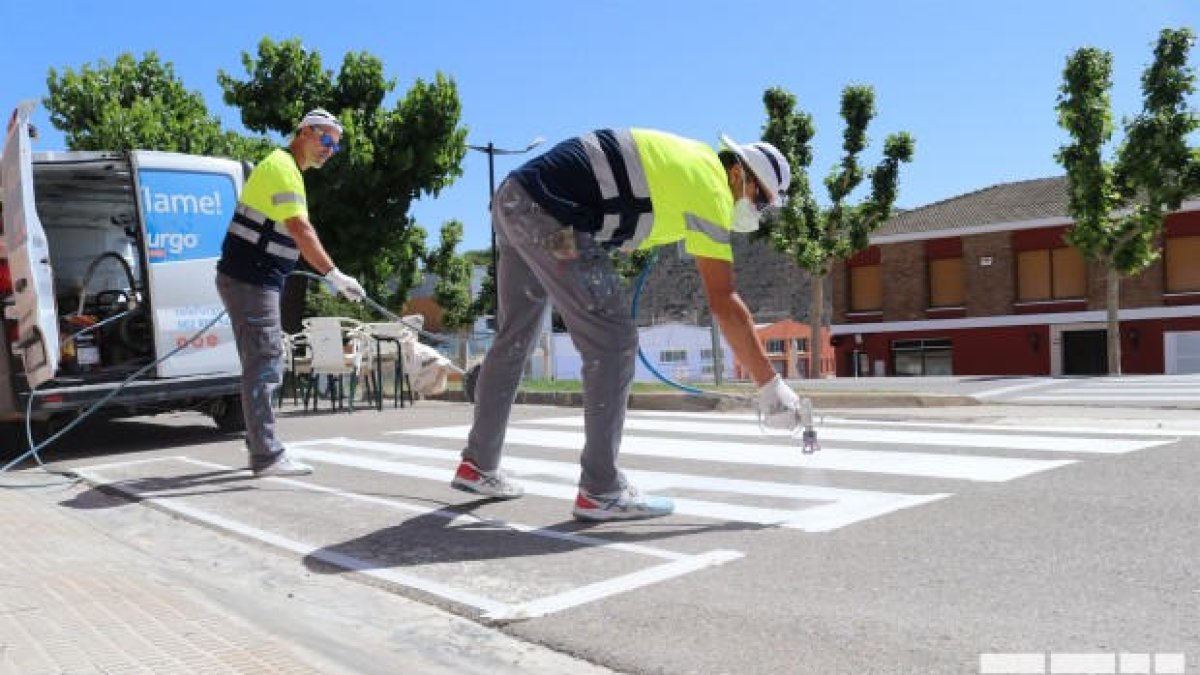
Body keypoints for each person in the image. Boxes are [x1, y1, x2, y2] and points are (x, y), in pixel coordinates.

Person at [451, 128, 804, 521]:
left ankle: (478, 464)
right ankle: (601, 489)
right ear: (738, 173)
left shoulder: (693, 166)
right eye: (760, 199)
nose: (758, 211)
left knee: (515, 338)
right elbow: (724, 301)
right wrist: (770, 385)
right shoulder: (712, 188)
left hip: (517, 201)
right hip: (550, 217)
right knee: (613, 340)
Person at [215, 108, 366, 477]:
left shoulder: (286, 168)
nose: (329, 149)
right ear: (304, 132)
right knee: (266, 361)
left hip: (252, 278)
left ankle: (259, 442)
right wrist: (334, 274)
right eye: (325, 139)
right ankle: (266, 455)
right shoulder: (283, 167)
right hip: (252, 279)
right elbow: (300, 228)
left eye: (336, 145)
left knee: (261, 360)